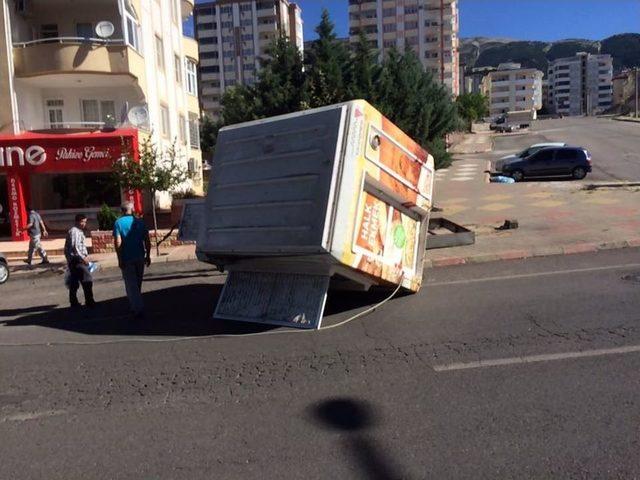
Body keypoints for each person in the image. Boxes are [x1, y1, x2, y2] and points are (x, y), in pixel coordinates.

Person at [113, 202, 151, 318]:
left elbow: (118, 242)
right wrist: (148, 255)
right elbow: (147, 240)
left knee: (131, 284)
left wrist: (119, 258)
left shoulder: (118, 223)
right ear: (132, 209)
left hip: (127, 257)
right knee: (137, 283)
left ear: (122, 211)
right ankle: (135, 304)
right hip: (139, 255)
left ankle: (137, 307)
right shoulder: (140, 222)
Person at [64, 214, 95, 308]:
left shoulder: (77, 231)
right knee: (87, 280)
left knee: (74, 281)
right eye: (82, 222)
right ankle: (89, 301)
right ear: (77, 221)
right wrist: (83, 258)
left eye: (85, 222)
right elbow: (75, 247)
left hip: (74, 260)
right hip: (77, 260)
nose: (84, 224)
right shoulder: (75, 231)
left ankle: (74, 301)